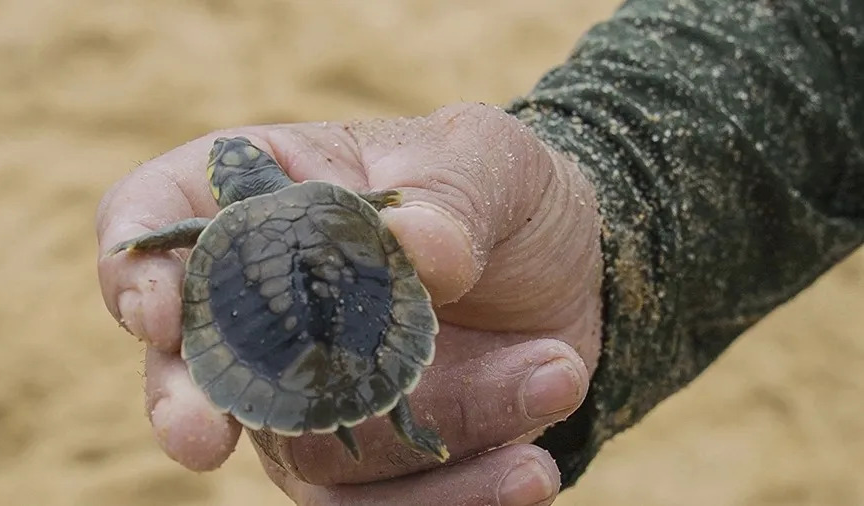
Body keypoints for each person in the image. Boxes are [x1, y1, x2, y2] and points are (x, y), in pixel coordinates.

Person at [96, 0, 864, 504]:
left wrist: (145, 245)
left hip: (281, 338)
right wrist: (610, 198)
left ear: (224, 200)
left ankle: (386, 424)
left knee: (335, 397)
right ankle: (404, 425)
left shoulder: (217, 237)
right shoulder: (336, 203)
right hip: (349, 294)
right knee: (376, 370)